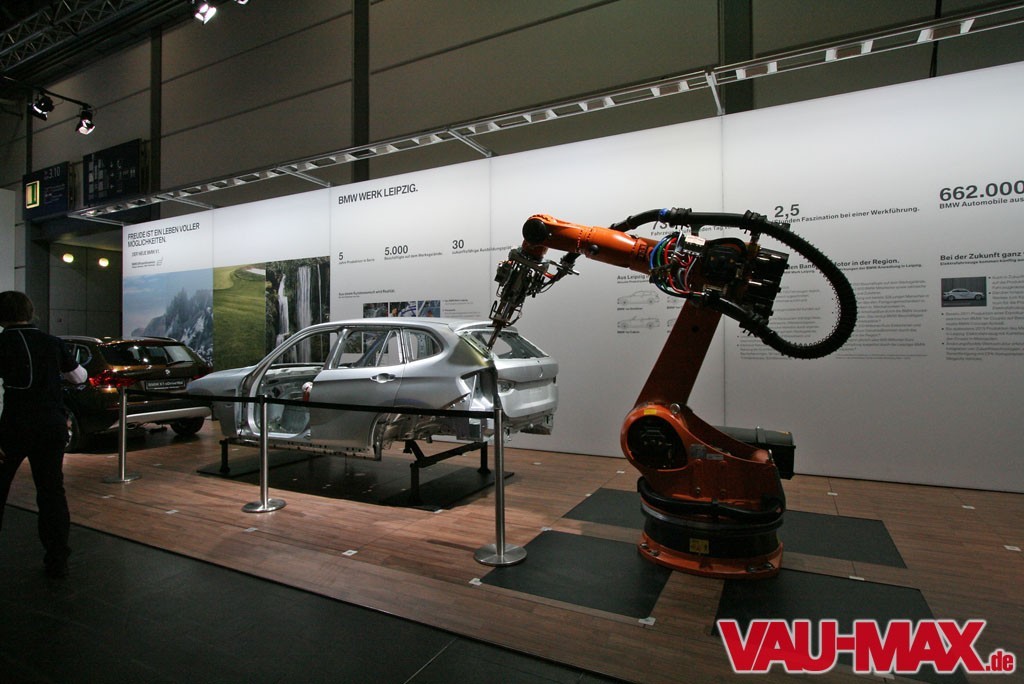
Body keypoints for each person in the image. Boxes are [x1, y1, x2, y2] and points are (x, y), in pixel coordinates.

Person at [0, 291, 87, 578]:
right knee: (51, 492)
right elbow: (79, 377)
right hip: (51, 424)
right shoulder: (52, 342)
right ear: (30, 311)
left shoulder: (3, 343)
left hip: (14, 426)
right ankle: (57, 559)